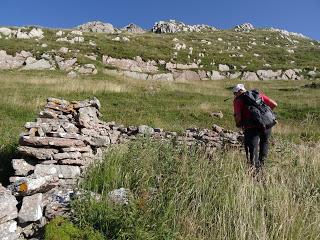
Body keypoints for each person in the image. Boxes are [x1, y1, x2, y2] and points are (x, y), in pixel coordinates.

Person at [233, 84, 278, 171]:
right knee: (264, 143)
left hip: (251, 127)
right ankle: (262, 167)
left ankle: (254, 172)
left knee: (252, 149)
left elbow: (238, 116)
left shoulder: (238, 100)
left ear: (237, 92)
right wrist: (264, 116)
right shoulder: (258, 94)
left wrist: (238, 124)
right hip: (267, 125)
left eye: (234, 94)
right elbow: (274, 104)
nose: (234, 95)